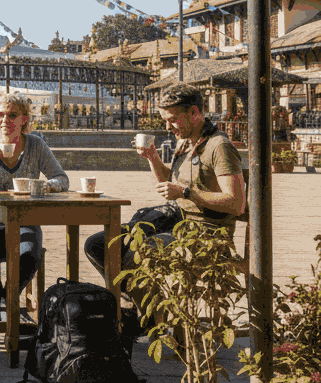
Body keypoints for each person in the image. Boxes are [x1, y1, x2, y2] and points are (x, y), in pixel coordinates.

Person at [84, 82, 246, 296]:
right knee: (98, 244)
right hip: (175, 223)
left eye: (172, 120)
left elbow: (236, 203)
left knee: (138, 253)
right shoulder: (186, 143)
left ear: (194, 112)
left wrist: (187, 193)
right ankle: (133, 305)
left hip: (205, 235)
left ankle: (145, 317)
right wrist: (152, 157)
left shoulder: (219, 147)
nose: (168, 128)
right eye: (165, 121)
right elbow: (168, 182)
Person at [0, 93, 69, 332]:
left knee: (29, 253)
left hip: (24, 216)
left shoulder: (36, 145)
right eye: (0, 115)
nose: (4, 120)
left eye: (12, 115)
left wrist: (49, 185)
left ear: (24, 119)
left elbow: (62, 178)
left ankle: (9, 299)